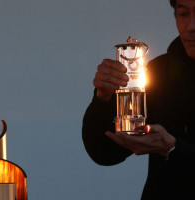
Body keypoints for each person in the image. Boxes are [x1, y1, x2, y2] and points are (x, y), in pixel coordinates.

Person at [82, 0, 195, 199]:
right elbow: (104, 153)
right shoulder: (159, 73)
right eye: (183, 14)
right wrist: (104, 98)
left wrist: (173, 148)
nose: (190, 26)